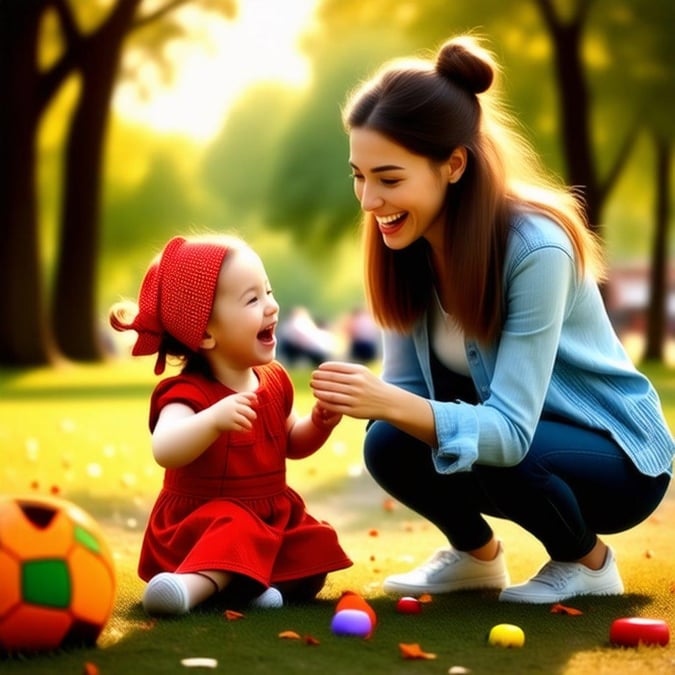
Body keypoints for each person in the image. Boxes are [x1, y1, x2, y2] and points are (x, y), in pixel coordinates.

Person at [310, 35, 674, 604]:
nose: (368, 200)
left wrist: (389, 402)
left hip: (619, 462)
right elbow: (407, 397)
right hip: (518, 446)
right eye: (358, 175)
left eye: (388, 177)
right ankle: (475, 558)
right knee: (386, 443)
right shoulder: (400, 244)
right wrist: (368, 403)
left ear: (453, 165)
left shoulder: (536, 249)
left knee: (493, 446)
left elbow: (508, 433)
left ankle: (588, 561)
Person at [110, 234, 352, 616]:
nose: (271, 307)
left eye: (268, 291)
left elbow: (291, 441)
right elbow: (165, 448)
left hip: (269, 518)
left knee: (316, 545)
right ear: (205, 333)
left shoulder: (273, 380)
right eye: (252, 300)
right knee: (237, 529)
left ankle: (250, 586)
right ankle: (185, 590)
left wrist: (319, 425)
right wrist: (212, 421)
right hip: (203, 526)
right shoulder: (188, 393)